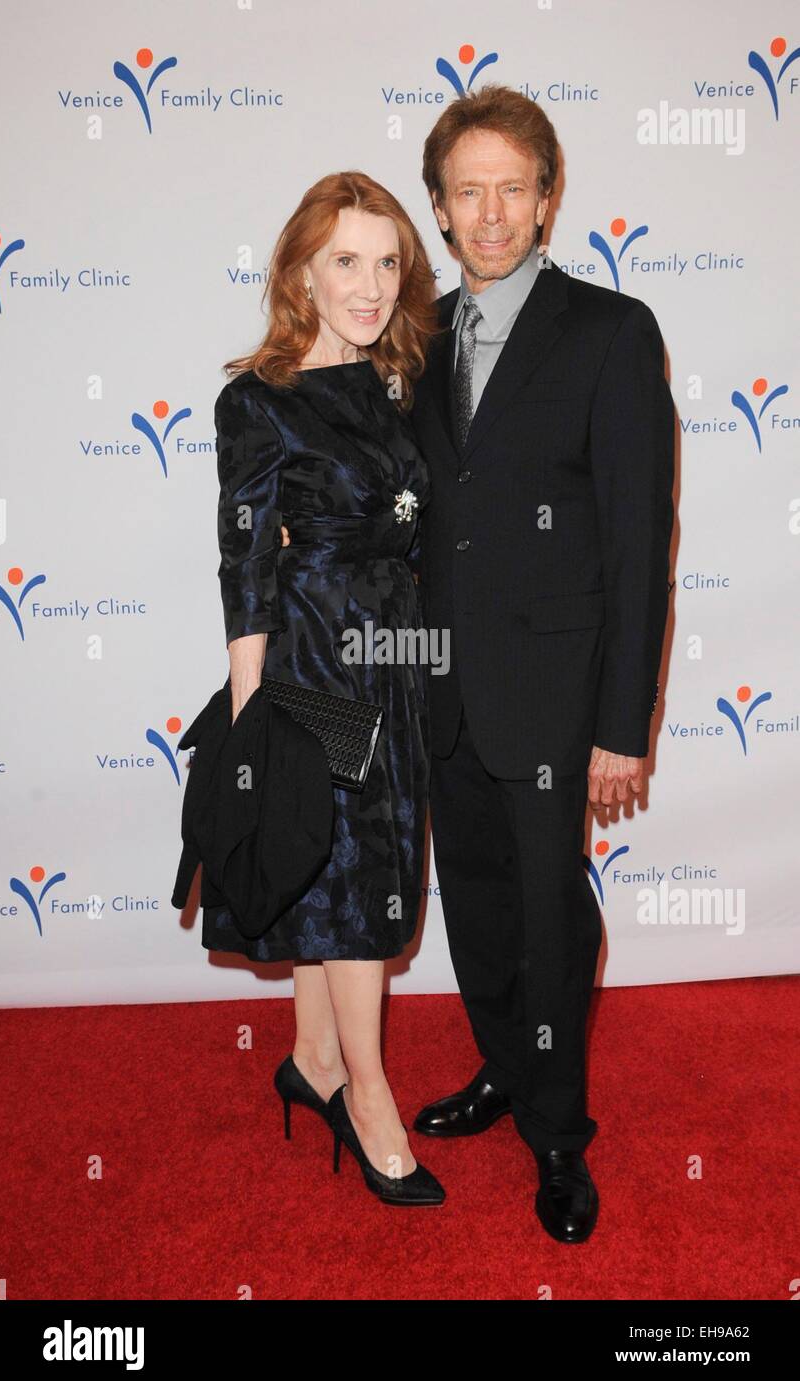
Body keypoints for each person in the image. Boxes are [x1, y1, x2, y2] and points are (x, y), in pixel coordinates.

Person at [409, 86, 675, 1242]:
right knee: (473, 903)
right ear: (440, 207)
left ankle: (560, 1138)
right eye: (468, 191)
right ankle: (508, 1066)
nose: (492, 211)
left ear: (549, 197)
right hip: (439, 693)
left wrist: (625, 725)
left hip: (557, 702)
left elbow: (638, 542)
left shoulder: (611, 332)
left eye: (512, 187)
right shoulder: (409, 336)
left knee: (553, 916)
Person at [208, 171, 445, 1206]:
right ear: (303, 269)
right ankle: (368, 1092)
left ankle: (309, 1057)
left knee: (346, 864)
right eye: (346, 259)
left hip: (396, 654)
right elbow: (246, 565)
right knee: (353, 884)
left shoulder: (396, 382)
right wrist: (252, 718)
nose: (371, 283)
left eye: (388, 260)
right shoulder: (260, 401)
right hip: (314, 665)